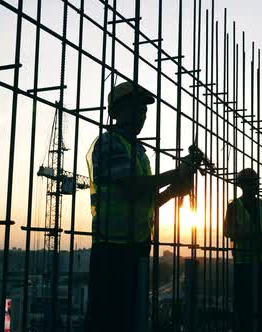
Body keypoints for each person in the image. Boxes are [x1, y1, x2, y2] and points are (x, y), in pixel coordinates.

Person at [85, 81, 195, 332]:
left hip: (136, 246)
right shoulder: (110, 143)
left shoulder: (139, 151)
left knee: (130, 318)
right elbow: (131, 187)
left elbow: (146, 201)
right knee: (108, 319)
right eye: (135, 108)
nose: (142, 115)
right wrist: (175, 174)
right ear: (117, 112)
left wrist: (172, 190)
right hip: (111, 248)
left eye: (144, 110)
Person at [223, 168, 262, 332]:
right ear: (242, 185)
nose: (253, 186)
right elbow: (227, 232)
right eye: (250, 183)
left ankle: (261, 326)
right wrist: (248, 236)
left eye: (254, 183)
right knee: (243, 302)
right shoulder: (234, 206)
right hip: (244, 260)